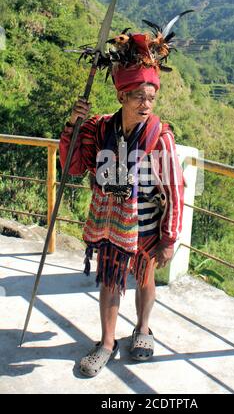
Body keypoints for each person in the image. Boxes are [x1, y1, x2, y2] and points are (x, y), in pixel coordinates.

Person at [59, 28, 185, 377]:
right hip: (111, 223)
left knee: (144, 279)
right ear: (121, 95)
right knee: (111, 280)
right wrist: (74, 124)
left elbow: (175, 189)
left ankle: (143, 329)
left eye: (151, 98)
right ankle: (107, 343)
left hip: (145, 227)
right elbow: (73, 165)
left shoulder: (161, 137)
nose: (146, 105)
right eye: (138, 98)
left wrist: (169, 239)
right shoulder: (99, 129)